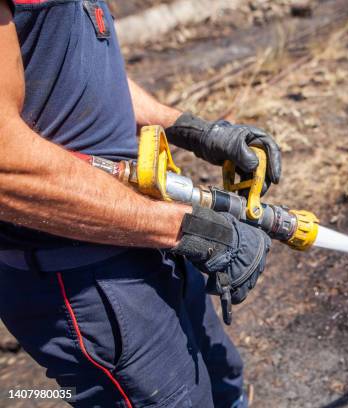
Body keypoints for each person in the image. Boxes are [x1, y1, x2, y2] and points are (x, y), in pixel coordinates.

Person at [0, 1, 282, 407]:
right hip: (85, 277)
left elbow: (82, 73)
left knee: (224, 383)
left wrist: (189, 128)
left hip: (146, 233)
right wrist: (187, 229)